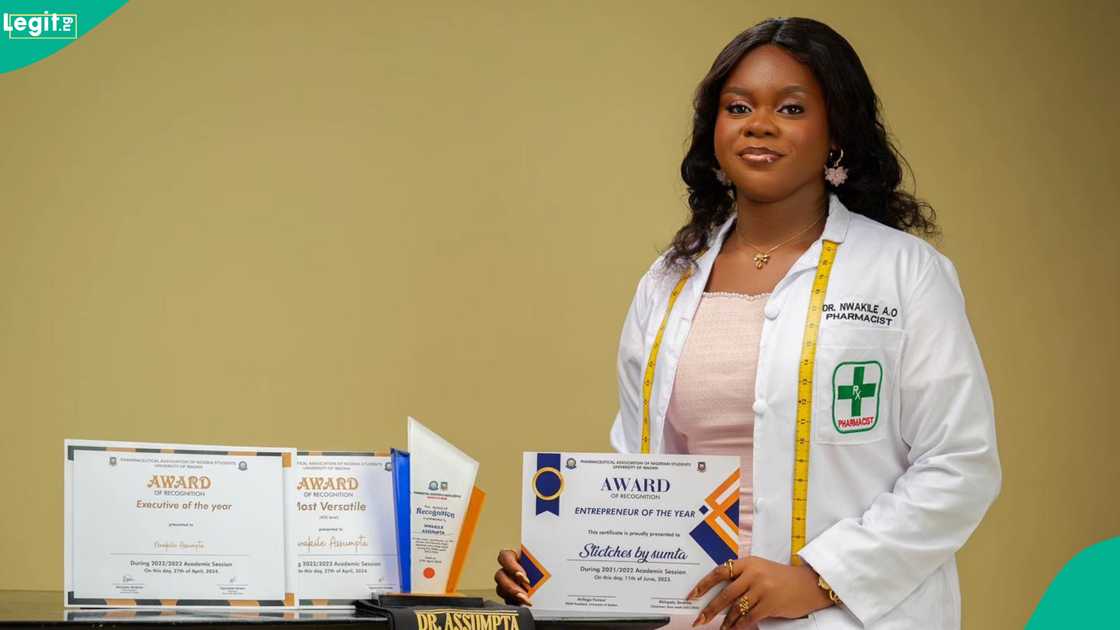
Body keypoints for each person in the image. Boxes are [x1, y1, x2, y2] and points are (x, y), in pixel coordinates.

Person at [496, 17, 1001, 629]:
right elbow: (639, 470)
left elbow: (960, 465)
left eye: (790, 108)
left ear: (835, 132)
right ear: (715, 130)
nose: (759, 124)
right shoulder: (667, 282)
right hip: (699, 618)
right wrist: (563, 564)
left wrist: (819, 579)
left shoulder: (903, 273)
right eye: (738, 106)